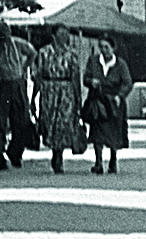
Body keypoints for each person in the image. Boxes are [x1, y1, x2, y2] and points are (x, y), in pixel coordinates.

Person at [33, 26, 86, 175]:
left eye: (66, 34)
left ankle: (59, 155)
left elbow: (76, 77)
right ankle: (55, 151)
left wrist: (78, 98)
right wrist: (33, 98)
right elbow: (38, 76)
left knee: (63, 123)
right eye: (61, 34)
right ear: (54, 36)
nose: (64, 37)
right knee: (49, 123)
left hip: (66, 91)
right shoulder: (43, 53)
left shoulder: (72, 54)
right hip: (49, 90)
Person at [0, 18, 32, 167]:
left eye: (6, 30)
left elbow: (32, 53)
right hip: (0, 86)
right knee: (0, 122)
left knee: (21, 120)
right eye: (1, 32)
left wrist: (23, 68)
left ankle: (15, 152)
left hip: (17, 84)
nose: (5, 34)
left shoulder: (17, 44)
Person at [83, 38, 130, 176]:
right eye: (101, 47)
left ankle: (113, 160)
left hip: (114, 102)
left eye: (106, 47)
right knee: (97, 131)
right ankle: (98, 162)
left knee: (114, 131)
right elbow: (85, 78)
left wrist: (120, 96)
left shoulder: (120, 64)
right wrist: (91, 81)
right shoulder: (93, 61)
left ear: (113, 48)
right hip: (98, 100)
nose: (104, 50)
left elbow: (127, 82)